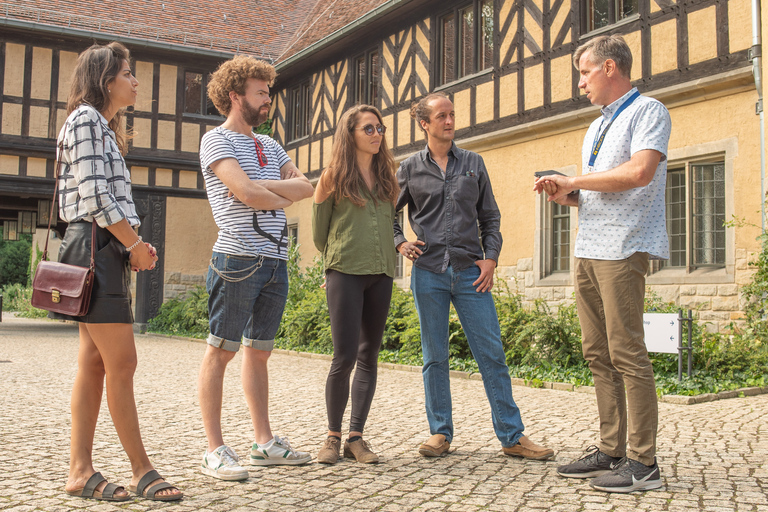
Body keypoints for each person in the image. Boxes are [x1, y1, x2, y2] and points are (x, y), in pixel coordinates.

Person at [534, 34, 671, 493]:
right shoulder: (596, 126)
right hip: (588, 247)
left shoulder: (648, 111)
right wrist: (567, 194)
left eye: (584, 72)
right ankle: (612, 449)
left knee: (628, 352)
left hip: (623, 248)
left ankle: (643, 463)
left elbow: (640, 173)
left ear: (610, 68)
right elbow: (599, 190)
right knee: (598, 353)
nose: (580, 83)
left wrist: (575, 178)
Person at [394, 92, 554, 462]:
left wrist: (491, 259)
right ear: (424, 123)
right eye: (442, 116)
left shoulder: (473, 164)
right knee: (435, 355)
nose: (450, 121)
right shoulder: (409, 168)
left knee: (491, 353)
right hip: (429, 272)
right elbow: (387, 214)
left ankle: (512, 435)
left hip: (470, 274)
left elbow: (490, 218)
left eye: (452, 114)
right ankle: (440, 433)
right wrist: (401, 242)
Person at [55, 42, 182, 502]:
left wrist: (129, 246)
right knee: (122, 362)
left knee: (93, 364)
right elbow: (95, 197)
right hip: (95, 245)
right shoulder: (87, 120)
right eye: (128, 73)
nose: (135, 81)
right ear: (105, 78)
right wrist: (134, 245)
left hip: (104, 246)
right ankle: (142, 470)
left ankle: (80, 472)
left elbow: (108, 200)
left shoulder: (104, 128)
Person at [197, 55, 314, 480]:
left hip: (275, 261)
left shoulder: (271, 144)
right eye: (261, 92)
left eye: (268, 91)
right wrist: (265, 191)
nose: (268, 99)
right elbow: (245, 192)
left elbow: (306, 187)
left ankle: (263, 444)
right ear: (235, 96)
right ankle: (214, 449)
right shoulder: (217, 141)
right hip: (236, 260)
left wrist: (260, 190)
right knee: (220, 351)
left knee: (259, 353)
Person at [312, 105, 399, 464]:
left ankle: (356, 438)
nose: (377, 134)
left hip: (381, 273)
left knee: (368, 356)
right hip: (344, 271)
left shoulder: (388, 177)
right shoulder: (332, 177)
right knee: (343, 356)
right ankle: (332, 437)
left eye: (379, 128)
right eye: (368, 129)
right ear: (350, 135)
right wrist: (337, 261)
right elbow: (319, 235)